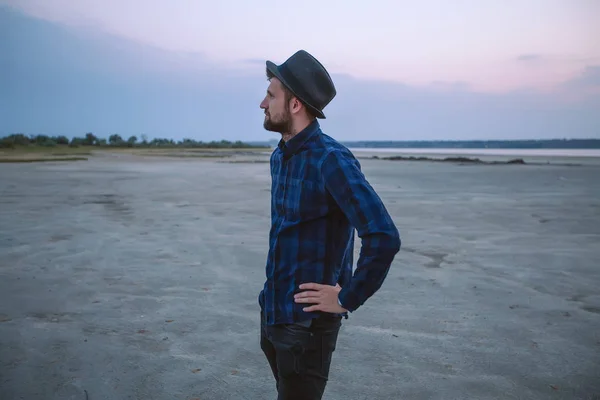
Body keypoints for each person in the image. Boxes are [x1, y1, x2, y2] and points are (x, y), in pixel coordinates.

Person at [258, 49, 401, 400]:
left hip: (308, 327)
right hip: (274, 313)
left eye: (271, 94)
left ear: (295, 105)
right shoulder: (281, 155)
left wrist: (347, 297)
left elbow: (383, 236)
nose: (262, 103)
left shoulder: (331, 160)